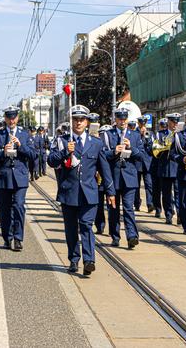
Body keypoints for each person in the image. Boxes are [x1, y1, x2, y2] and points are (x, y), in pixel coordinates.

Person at [48, 105, 115, 275]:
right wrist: (64, 152)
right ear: (71, 122)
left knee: (86, 225)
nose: (78, 123)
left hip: (89, 193)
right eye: (75, 119)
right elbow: (51, 161)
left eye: (81, 120)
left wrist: (111, 192)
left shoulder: (96, 143)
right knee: (71, 229)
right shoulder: (62, 140)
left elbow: (104, 170)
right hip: (68, 192)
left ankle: (89, 260)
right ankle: (73, 259)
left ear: (87, 122)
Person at [0, 106, 35, 251]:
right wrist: (3, 152)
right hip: (3, 177)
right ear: (5, 118)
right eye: (9, 117)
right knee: (4, 210)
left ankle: (18, 238)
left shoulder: (24, 134)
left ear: (17, 118)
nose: (11, 120)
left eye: (14, 117)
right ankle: (7, 238)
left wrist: (20, 146)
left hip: (20, 177)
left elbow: (33, 155)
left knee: (19, 206)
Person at [102, 108, 143, 249]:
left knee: (128, 208)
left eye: (124, 119)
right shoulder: (108, 135)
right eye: (120, 119)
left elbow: (142, 156)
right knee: (113, 209)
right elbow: (102, 156)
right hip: (114, 177)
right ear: (115, 119)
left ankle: (132, 236)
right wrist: (114, 151)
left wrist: (132, 148)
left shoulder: (135, 135)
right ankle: (115, 236)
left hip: (129, 178)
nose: (122, 121)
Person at [156, 113, 180, 224]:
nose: (175, 124)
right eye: (173, 122)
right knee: (166, 194)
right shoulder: (160, 135)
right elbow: (155, 151)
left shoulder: (180, 134)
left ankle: (180, 214)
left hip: (177, 167)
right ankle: (168, 214)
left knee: (179, 193)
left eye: (176, 122)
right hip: (165, 167)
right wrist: (164, 145)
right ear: (168, 122)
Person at [135, 116, 155, 213]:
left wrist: (146, 138)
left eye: (144, 123)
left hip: (147, 163)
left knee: (149, 184)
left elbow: (152, 148)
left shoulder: (150, 134)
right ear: (138, 123)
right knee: (136, 185)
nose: (142, 125)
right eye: (141, 123)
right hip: (137, 163)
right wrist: (140, 135)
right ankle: (137, 203)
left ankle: (150, 204)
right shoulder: (134, 133)